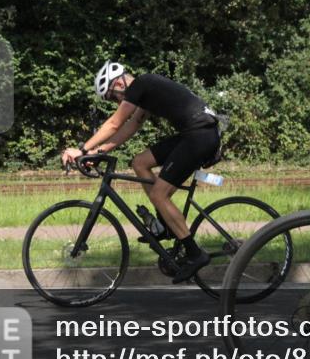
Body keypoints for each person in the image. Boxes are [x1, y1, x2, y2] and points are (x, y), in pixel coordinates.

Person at [61, 61, 221, 282]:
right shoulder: (146, 92)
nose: (117, 101)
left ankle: (195, 253)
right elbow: (130, 126)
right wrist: (97, 152)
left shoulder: (141, 84)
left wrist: (82, 150)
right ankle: (165, 225)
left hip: (200, 135)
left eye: (112, 96)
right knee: (140, 162)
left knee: (158, 194)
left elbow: (115, 124)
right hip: (195, 133)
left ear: (118, 82)